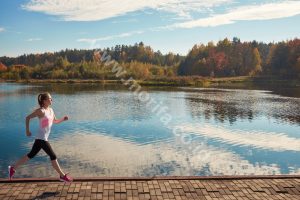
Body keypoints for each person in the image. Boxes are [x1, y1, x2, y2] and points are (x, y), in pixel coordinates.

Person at [8, 92, 73, 182]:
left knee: (30, 155)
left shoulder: (51, 110)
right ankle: (62, 176)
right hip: (41, 139)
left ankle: (13, 168)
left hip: (42, 138)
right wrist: (27, 130)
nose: (52, 100)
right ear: (44, 101)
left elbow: (55, 121)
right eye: (50, 98)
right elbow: (27, 118)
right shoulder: (41, 111)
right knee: (53, 155)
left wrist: (63, 119)